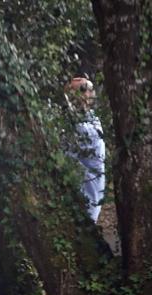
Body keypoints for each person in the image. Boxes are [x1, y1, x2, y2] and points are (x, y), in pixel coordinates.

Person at [65, 77, 106, 222]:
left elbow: (86, 140)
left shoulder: (91, 121)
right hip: (77, 192)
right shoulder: (74, 122)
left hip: (90, 191)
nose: (88, 93)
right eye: (82, 90)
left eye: (89, 89)